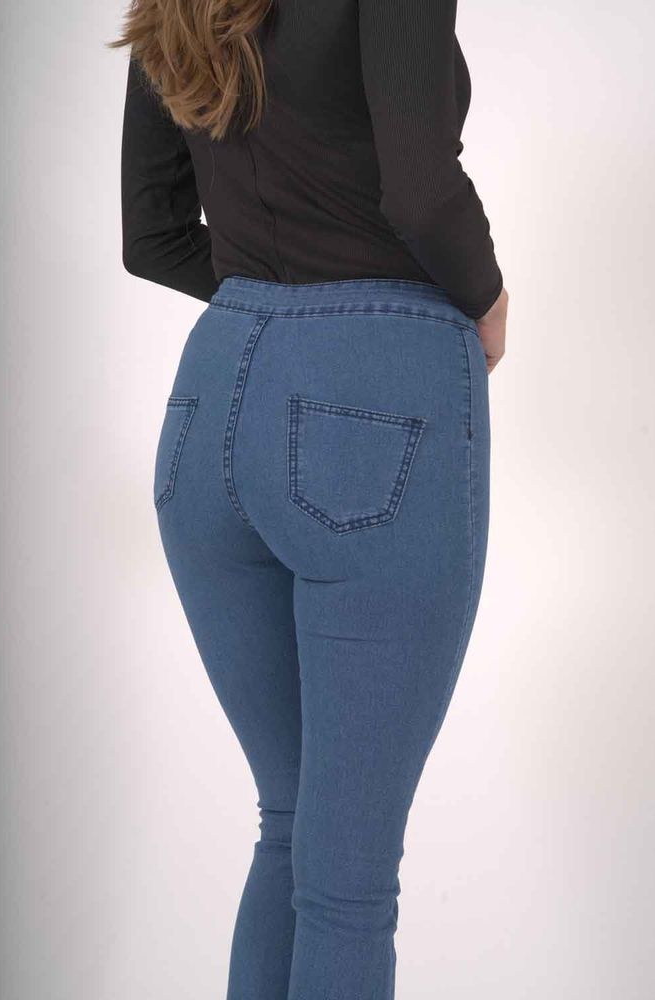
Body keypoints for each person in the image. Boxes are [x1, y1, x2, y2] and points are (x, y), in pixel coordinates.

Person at [109, 1, 508, 996]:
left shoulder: (176, 4)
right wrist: (487, 298)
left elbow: (151, 237)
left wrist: (272, 300)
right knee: (346, 886)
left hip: (208, 409)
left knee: (292, 828)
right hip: (376, 400)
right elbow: (421, 191)